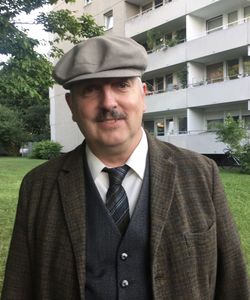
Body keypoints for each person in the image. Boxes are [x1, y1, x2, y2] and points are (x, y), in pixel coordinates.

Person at [1, 36, 249, 300]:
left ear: (143, 96)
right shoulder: (38, 186)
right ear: (71, 106)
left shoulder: (201, 173)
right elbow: (19, 285)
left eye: (121, 85)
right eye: (90, 89)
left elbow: (232, 282)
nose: (108, 103)